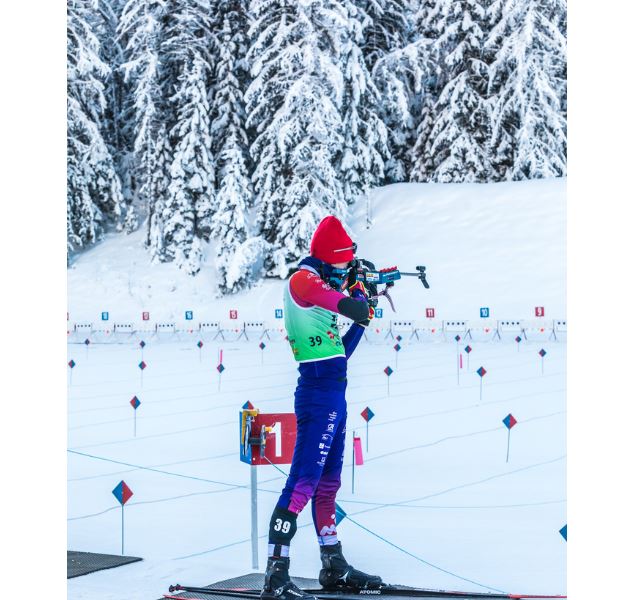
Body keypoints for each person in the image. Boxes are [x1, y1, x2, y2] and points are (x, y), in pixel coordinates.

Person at [262, 216, 383, 600]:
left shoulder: (321, 291)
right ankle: (276, 575)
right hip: (316, 393)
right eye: (344, 264)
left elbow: (338, 355)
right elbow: (343, 302)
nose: (347, 270)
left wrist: (364, 315)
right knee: (302, 483)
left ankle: (333, 565)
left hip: (333, 390)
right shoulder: (304, 281)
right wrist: (357, 300)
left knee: (328, 483)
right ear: (329, 260)